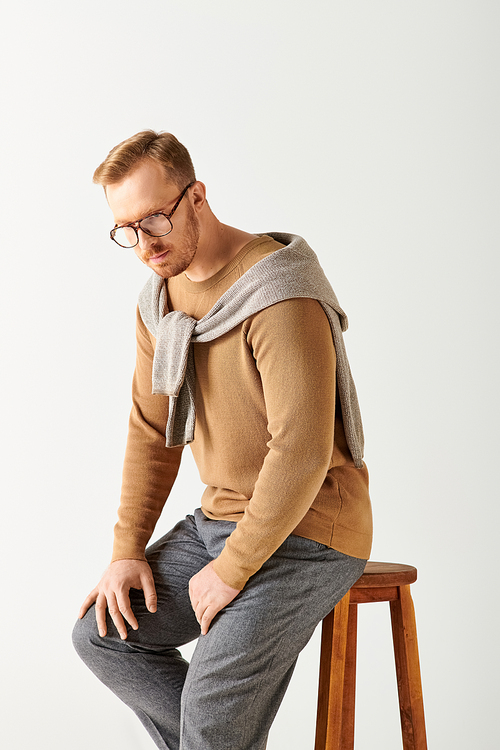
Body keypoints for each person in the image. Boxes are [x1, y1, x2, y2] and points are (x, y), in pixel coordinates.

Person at [72, 130, 373, 750]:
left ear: (196, 196)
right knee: (102, 634)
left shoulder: (278, 293)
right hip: (221, 518)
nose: (144, 243)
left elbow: (302, 451)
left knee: (212, 718)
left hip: (310, 533)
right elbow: (152, 431)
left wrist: (233, 568)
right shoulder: (160, 302)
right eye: (126, 230)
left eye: (155, 218)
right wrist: (126, 548)